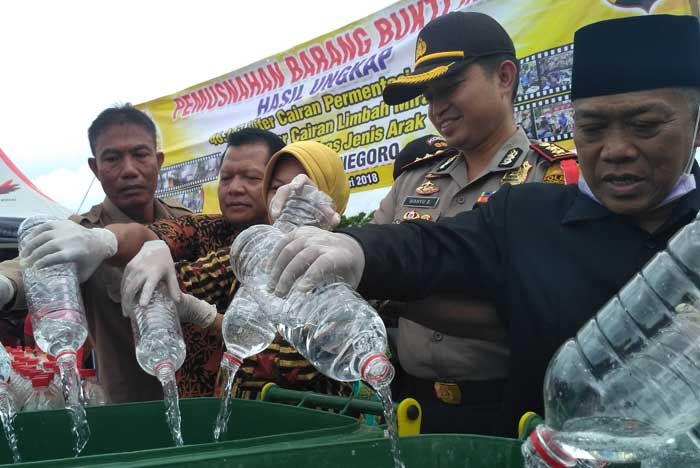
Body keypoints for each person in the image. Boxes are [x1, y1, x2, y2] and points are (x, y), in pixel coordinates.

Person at [265, 14, 700, 437]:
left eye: (645, 126)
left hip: (504, 410)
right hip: (435, 407)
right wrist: (344, 244)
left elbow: (508, 312)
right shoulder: (524, 210)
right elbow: (425, 246)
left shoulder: (552, 176)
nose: (617, 149)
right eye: (591, 128)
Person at [371, 11, 578, 434]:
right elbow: (365, 262)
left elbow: (543, 310)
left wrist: (393, 292)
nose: (436, 108)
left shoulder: (556, 178)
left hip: (516, 414)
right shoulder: (413, 179)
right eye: (428, 95)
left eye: (449, 87)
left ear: (504, 77)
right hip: (413, 409)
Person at [0, 105, 192, 403]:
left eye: (140, 154)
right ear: (94, 167)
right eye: (113, 158)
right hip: (127, 413)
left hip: (203, 403)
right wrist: (6, 283)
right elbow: (31, 263)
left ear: (158, 160)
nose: (129, 169)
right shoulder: (80, 235)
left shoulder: (188, 225)